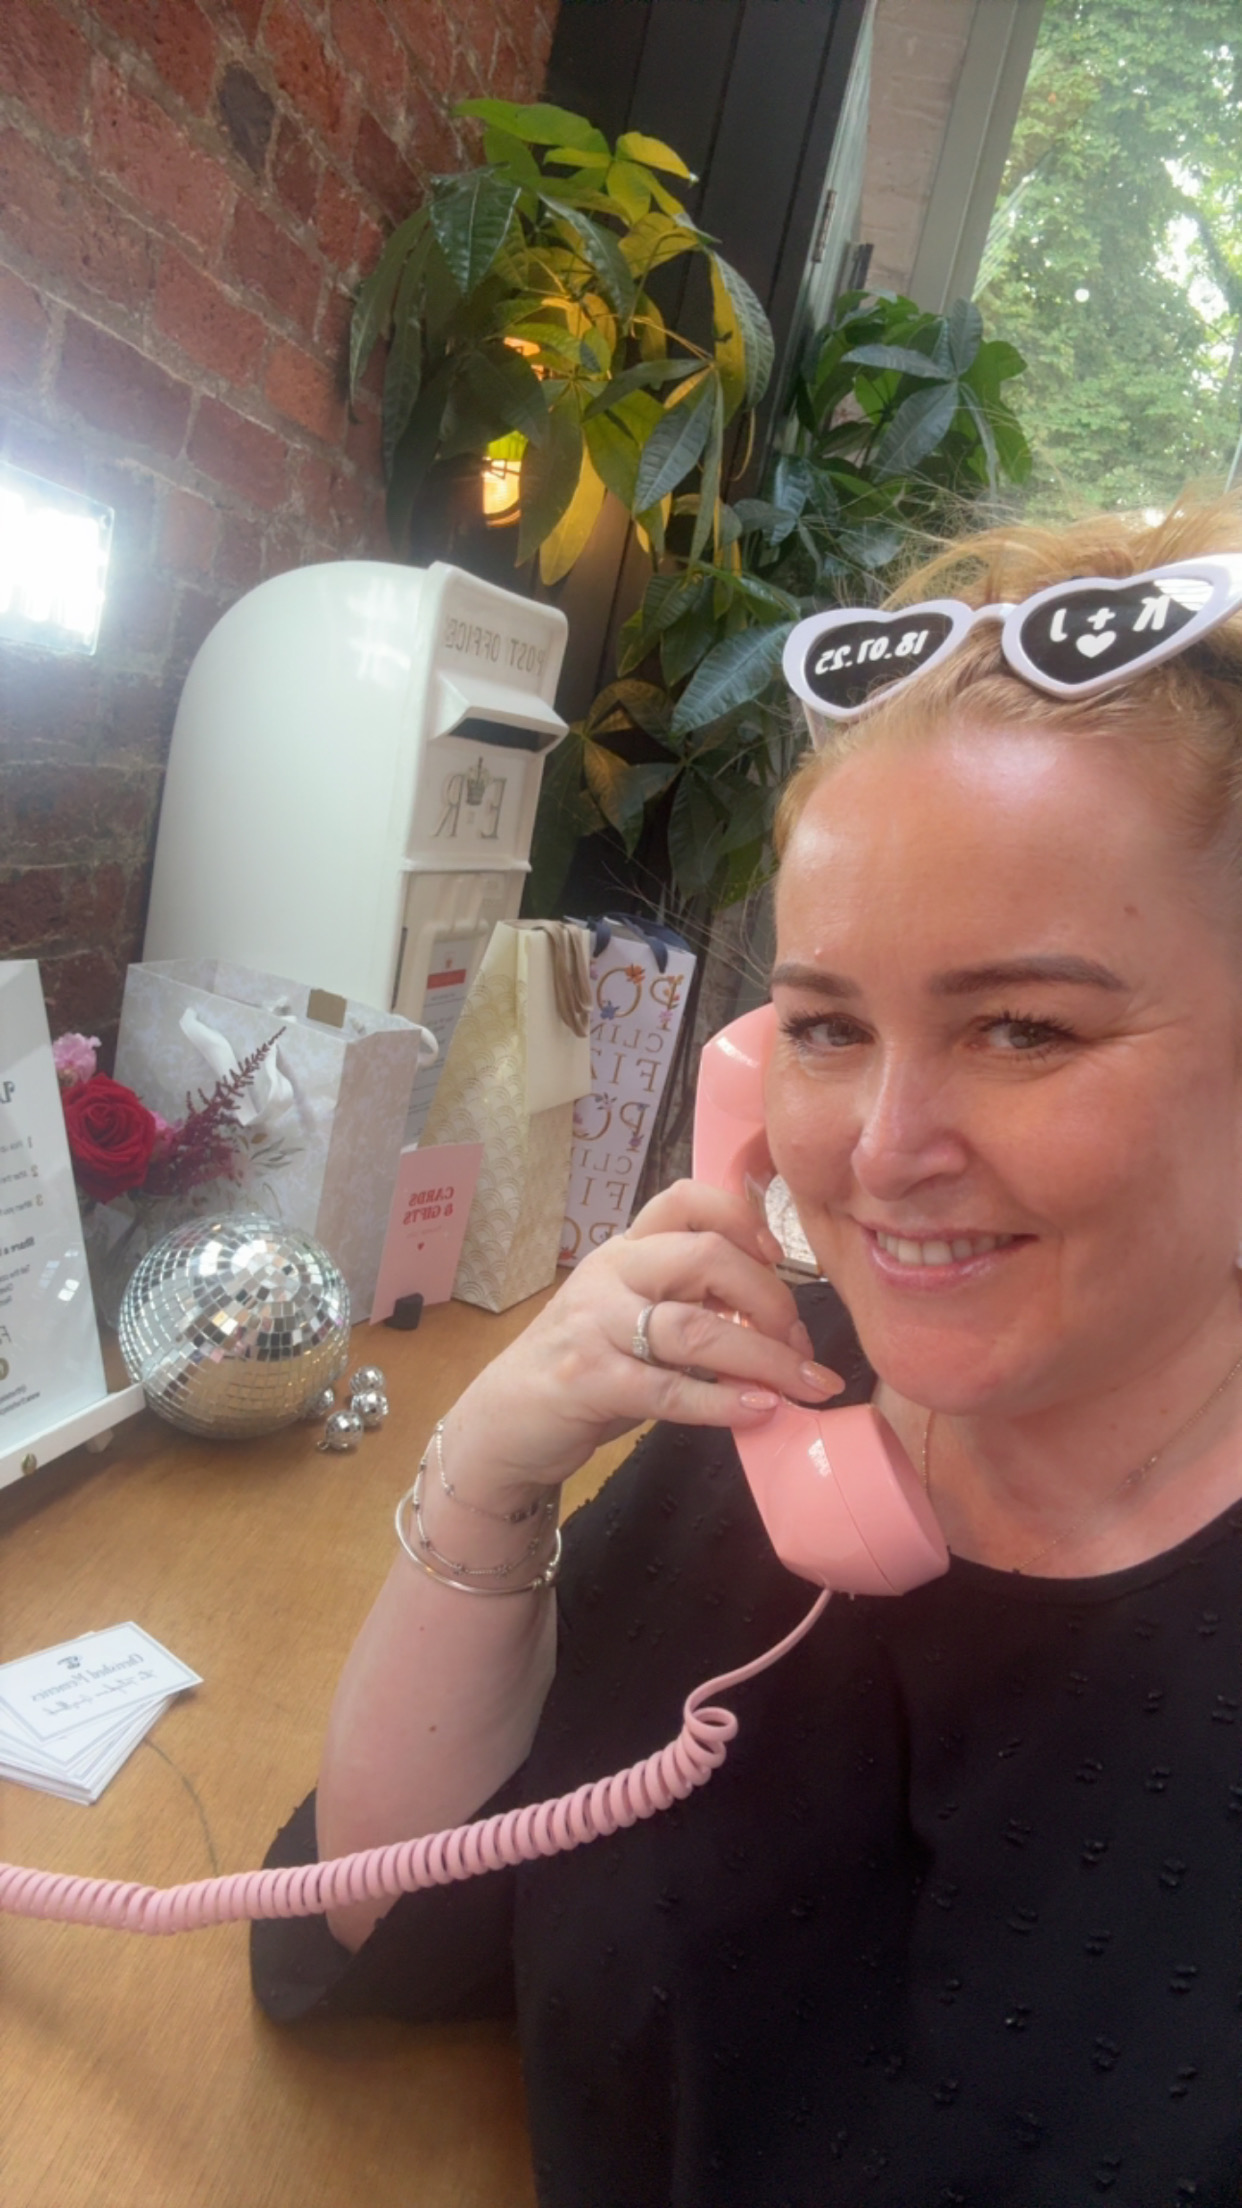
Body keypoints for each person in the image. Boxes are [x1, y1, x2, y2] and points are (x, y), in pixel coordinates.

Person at [253, 498, 1242, 2207]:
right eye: (826, 1027)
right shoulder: (776, 1394)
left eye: (1023, 1027)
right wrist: (488, 1475)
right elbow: (386, 1923)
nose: (878, 1149)